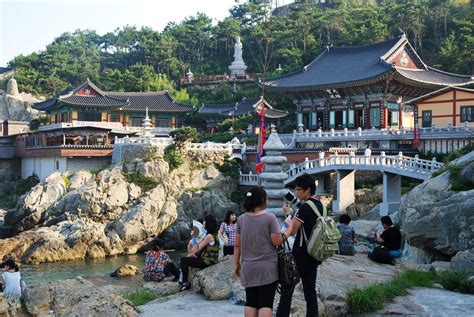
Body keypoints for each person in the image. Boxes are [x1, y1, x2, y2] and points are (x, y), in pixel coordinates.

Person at [277, 173, 323, 317]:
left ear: (308, 190)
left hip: (300, 254)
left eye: (298, 190)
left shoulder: (304, 209)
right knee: (310, 292)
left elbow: (292, 230)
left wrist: (287, 215)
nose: (296, 193)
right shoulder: (320, 205)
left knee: (287, 290)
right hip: (314, 254)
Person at [234, 186, 283, 317]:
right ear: (263, 200)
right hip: (267, 268)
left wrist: (236, 265)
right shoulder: (270, 218)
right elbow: (277, 241)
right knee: (265, 303)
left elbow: (237, 245)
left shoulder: (241, 219)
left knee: (251, 302)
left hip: (248, 267)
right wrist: (288, 232)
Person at [179, 215, 220, 291]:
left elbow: (198, 248)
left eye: (205, 221)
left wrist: (195, 236)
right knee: (188, 258)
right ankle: (184, 281)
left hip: (207, 261)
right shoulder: (214, 234)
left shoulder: (209, 236)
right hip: (211, 259)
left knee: (183, 260)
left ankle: (185, 283)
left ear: (208, 224)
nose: (203, 223)